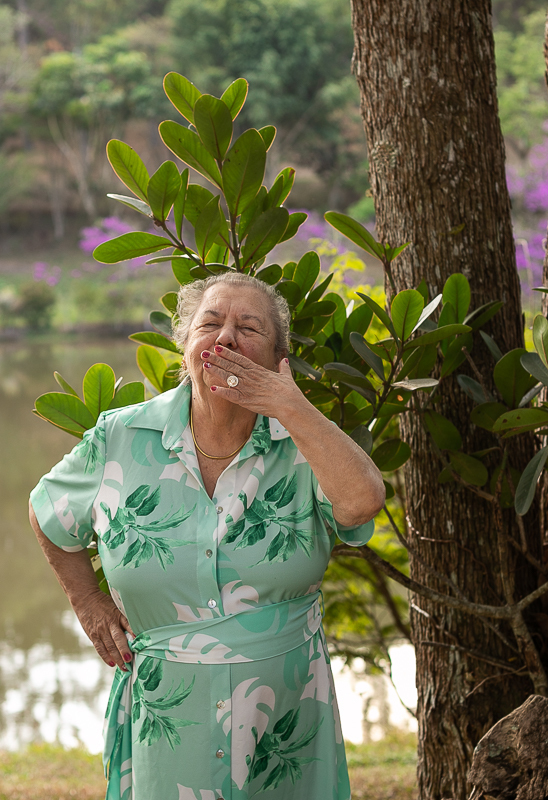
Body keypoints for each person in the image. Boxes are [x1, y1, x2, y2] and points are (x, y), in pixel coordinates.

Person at [28, 272, 385, 800]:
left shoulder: (305, 442)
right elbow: (47, 512)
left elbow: (362, 503)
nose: (225, 339)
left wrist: (293, 407)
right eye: (210, 323)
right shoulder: (120, 436)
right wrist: (87, 600)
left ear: (278, 359)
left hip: (286, 716)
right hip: (169, 713)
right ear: (185, 344)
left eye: (249, 328)